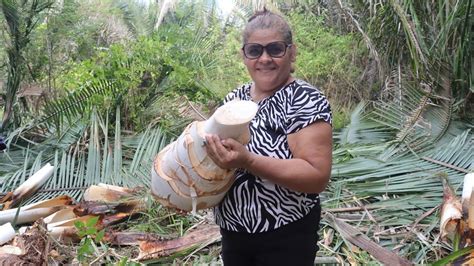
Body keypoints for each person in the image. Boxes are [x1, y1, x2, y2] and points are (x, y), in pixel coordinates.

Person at [204, 8, 332, 266]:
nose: (264, 58)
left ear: (292, 52)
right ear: (244, 55)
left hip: (285, 234)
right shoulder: (233, 98)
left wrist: (248, 161)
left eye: (275, 49)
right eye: (254, 50)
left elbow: (316, 176)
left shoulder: (305, 101)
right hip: (234, 231)